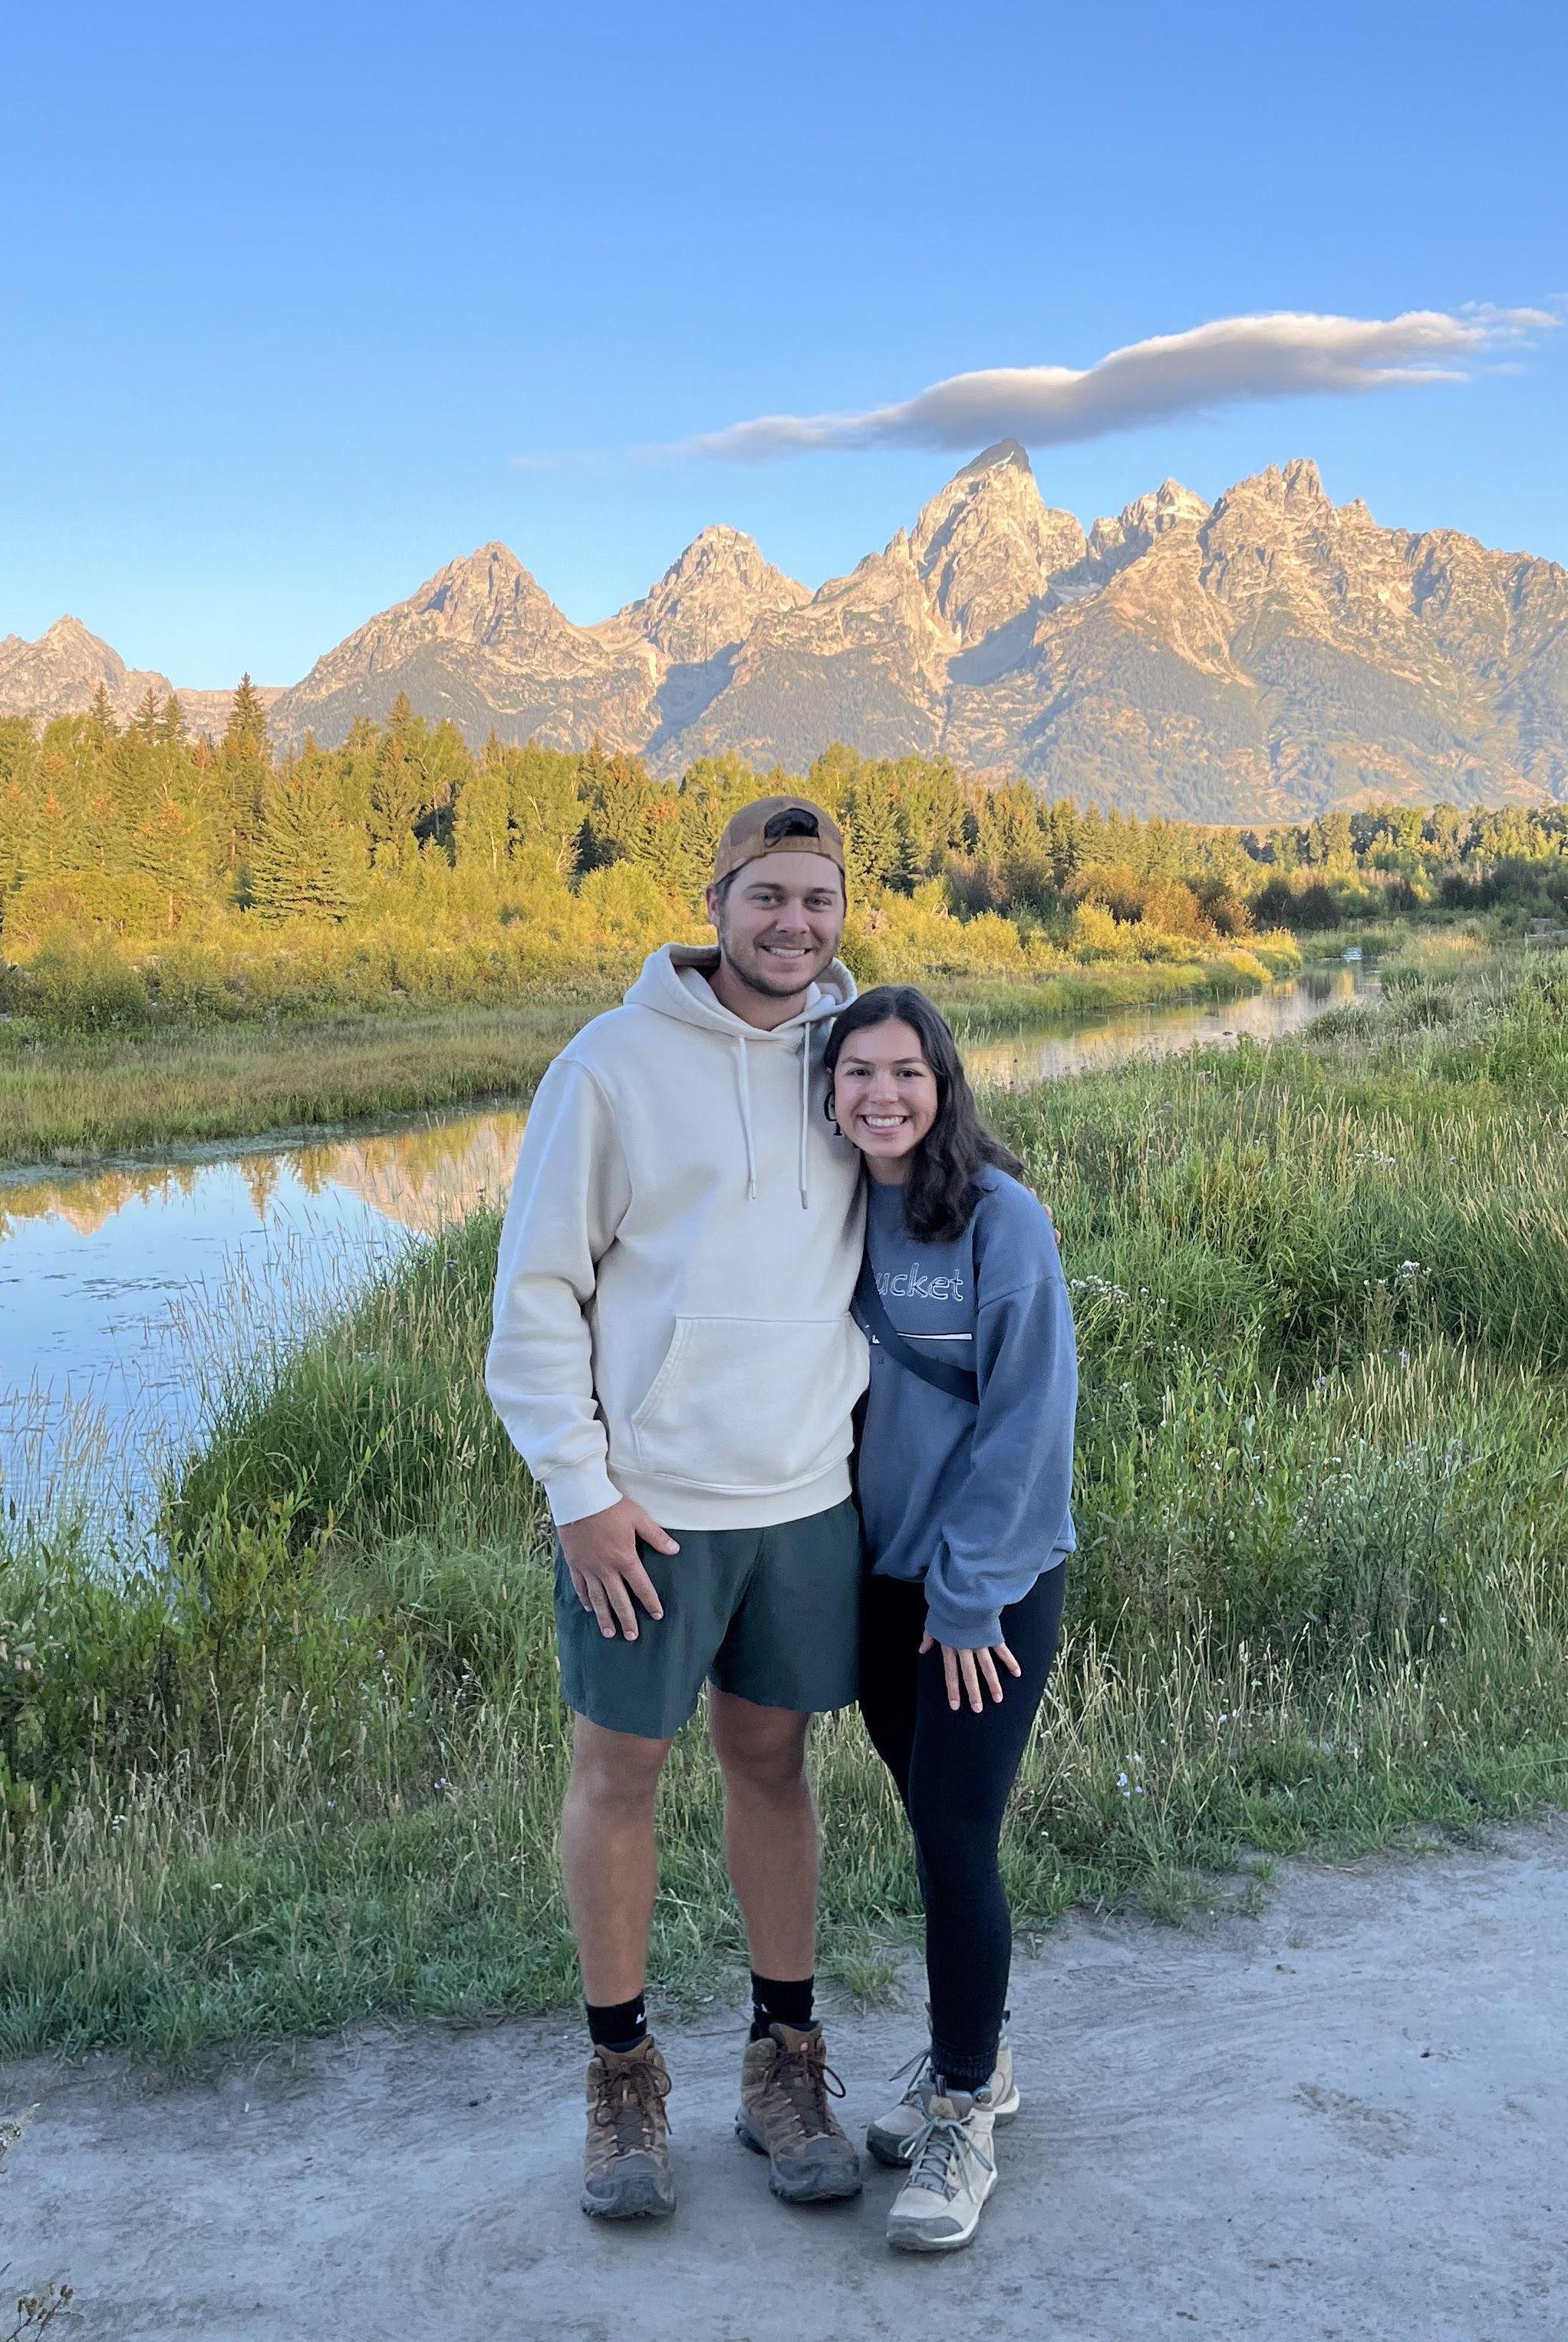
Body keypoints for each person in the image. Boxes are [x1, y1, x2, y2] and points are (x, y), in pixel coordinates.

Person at [485, 796, 872, 2223]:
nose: (793, 924)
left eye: (817, 900)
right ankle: (620, 2078)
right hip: (650, 1516)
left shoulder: (855, 1055)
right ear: (717, 901)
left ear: (841, 912)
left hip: (806, 1499)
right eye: (767, 896)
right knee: (619, 1779)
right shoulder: (608, 1066)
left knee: (774, 1772)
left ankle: (784, 2061)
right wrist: (579, 1493)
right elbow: (535, 1298)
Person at [822, 985, 1078, 2253]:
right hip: (873, 1583)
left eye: (905, 1073)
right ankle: (981, 2055)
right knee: (924, 1811)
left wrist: (969, 1598)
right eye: (856, 1071)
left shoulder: (997, 1217)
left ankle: (964, 2105)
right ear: (829, 1089)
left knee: (952, 1826)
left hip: (985, 1588)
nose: (881, 1094)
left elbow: (1029, 1420)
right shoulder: (825, 1209)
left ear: (945, 1083)